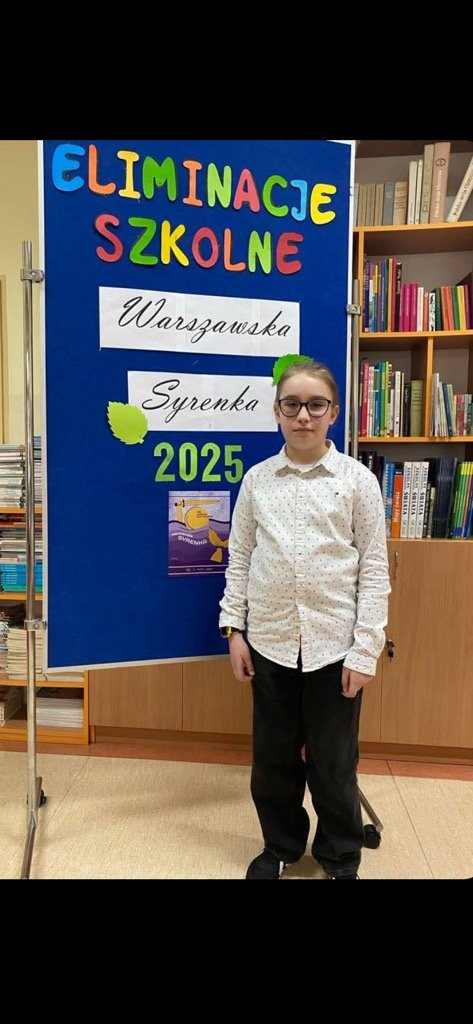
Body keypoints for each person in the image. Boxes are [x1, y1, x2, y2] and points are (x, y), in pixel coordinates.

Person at [219, 356, 391, 879]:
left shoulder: (358, 482)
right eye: (291, 404)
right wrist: (234, 630)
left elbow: (374, 570)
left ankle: (340, 854)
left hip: (335, 647)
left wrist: (365, 651)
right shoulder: (257, 481)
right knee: (273, 762)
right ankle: (281, 847)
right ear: (276, 411)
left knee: (334, 762)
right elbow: (240, 558)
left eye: (316, 405)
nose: (303, 416)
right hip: (269, 643)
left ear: (333, 412)